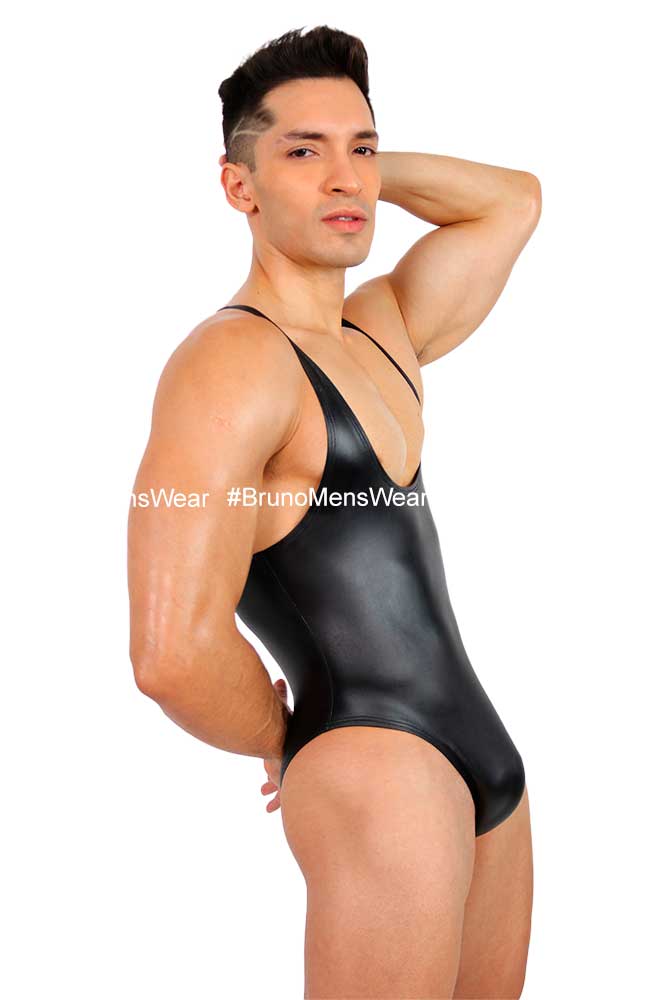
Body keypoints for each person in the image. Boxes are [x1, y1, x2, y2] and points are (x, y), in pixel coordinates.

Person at [127, 24, 541, 1000]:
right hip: (373, 762)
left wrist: (349, 175)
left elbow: (512, 202)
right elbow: (169, 651)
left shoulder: (382, 327)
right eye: (302, 152)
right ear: (239, 186)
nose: (346, 176)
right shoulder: (232, 361)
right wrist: (280, 732)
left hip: (485, 757)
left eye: (362, 147)